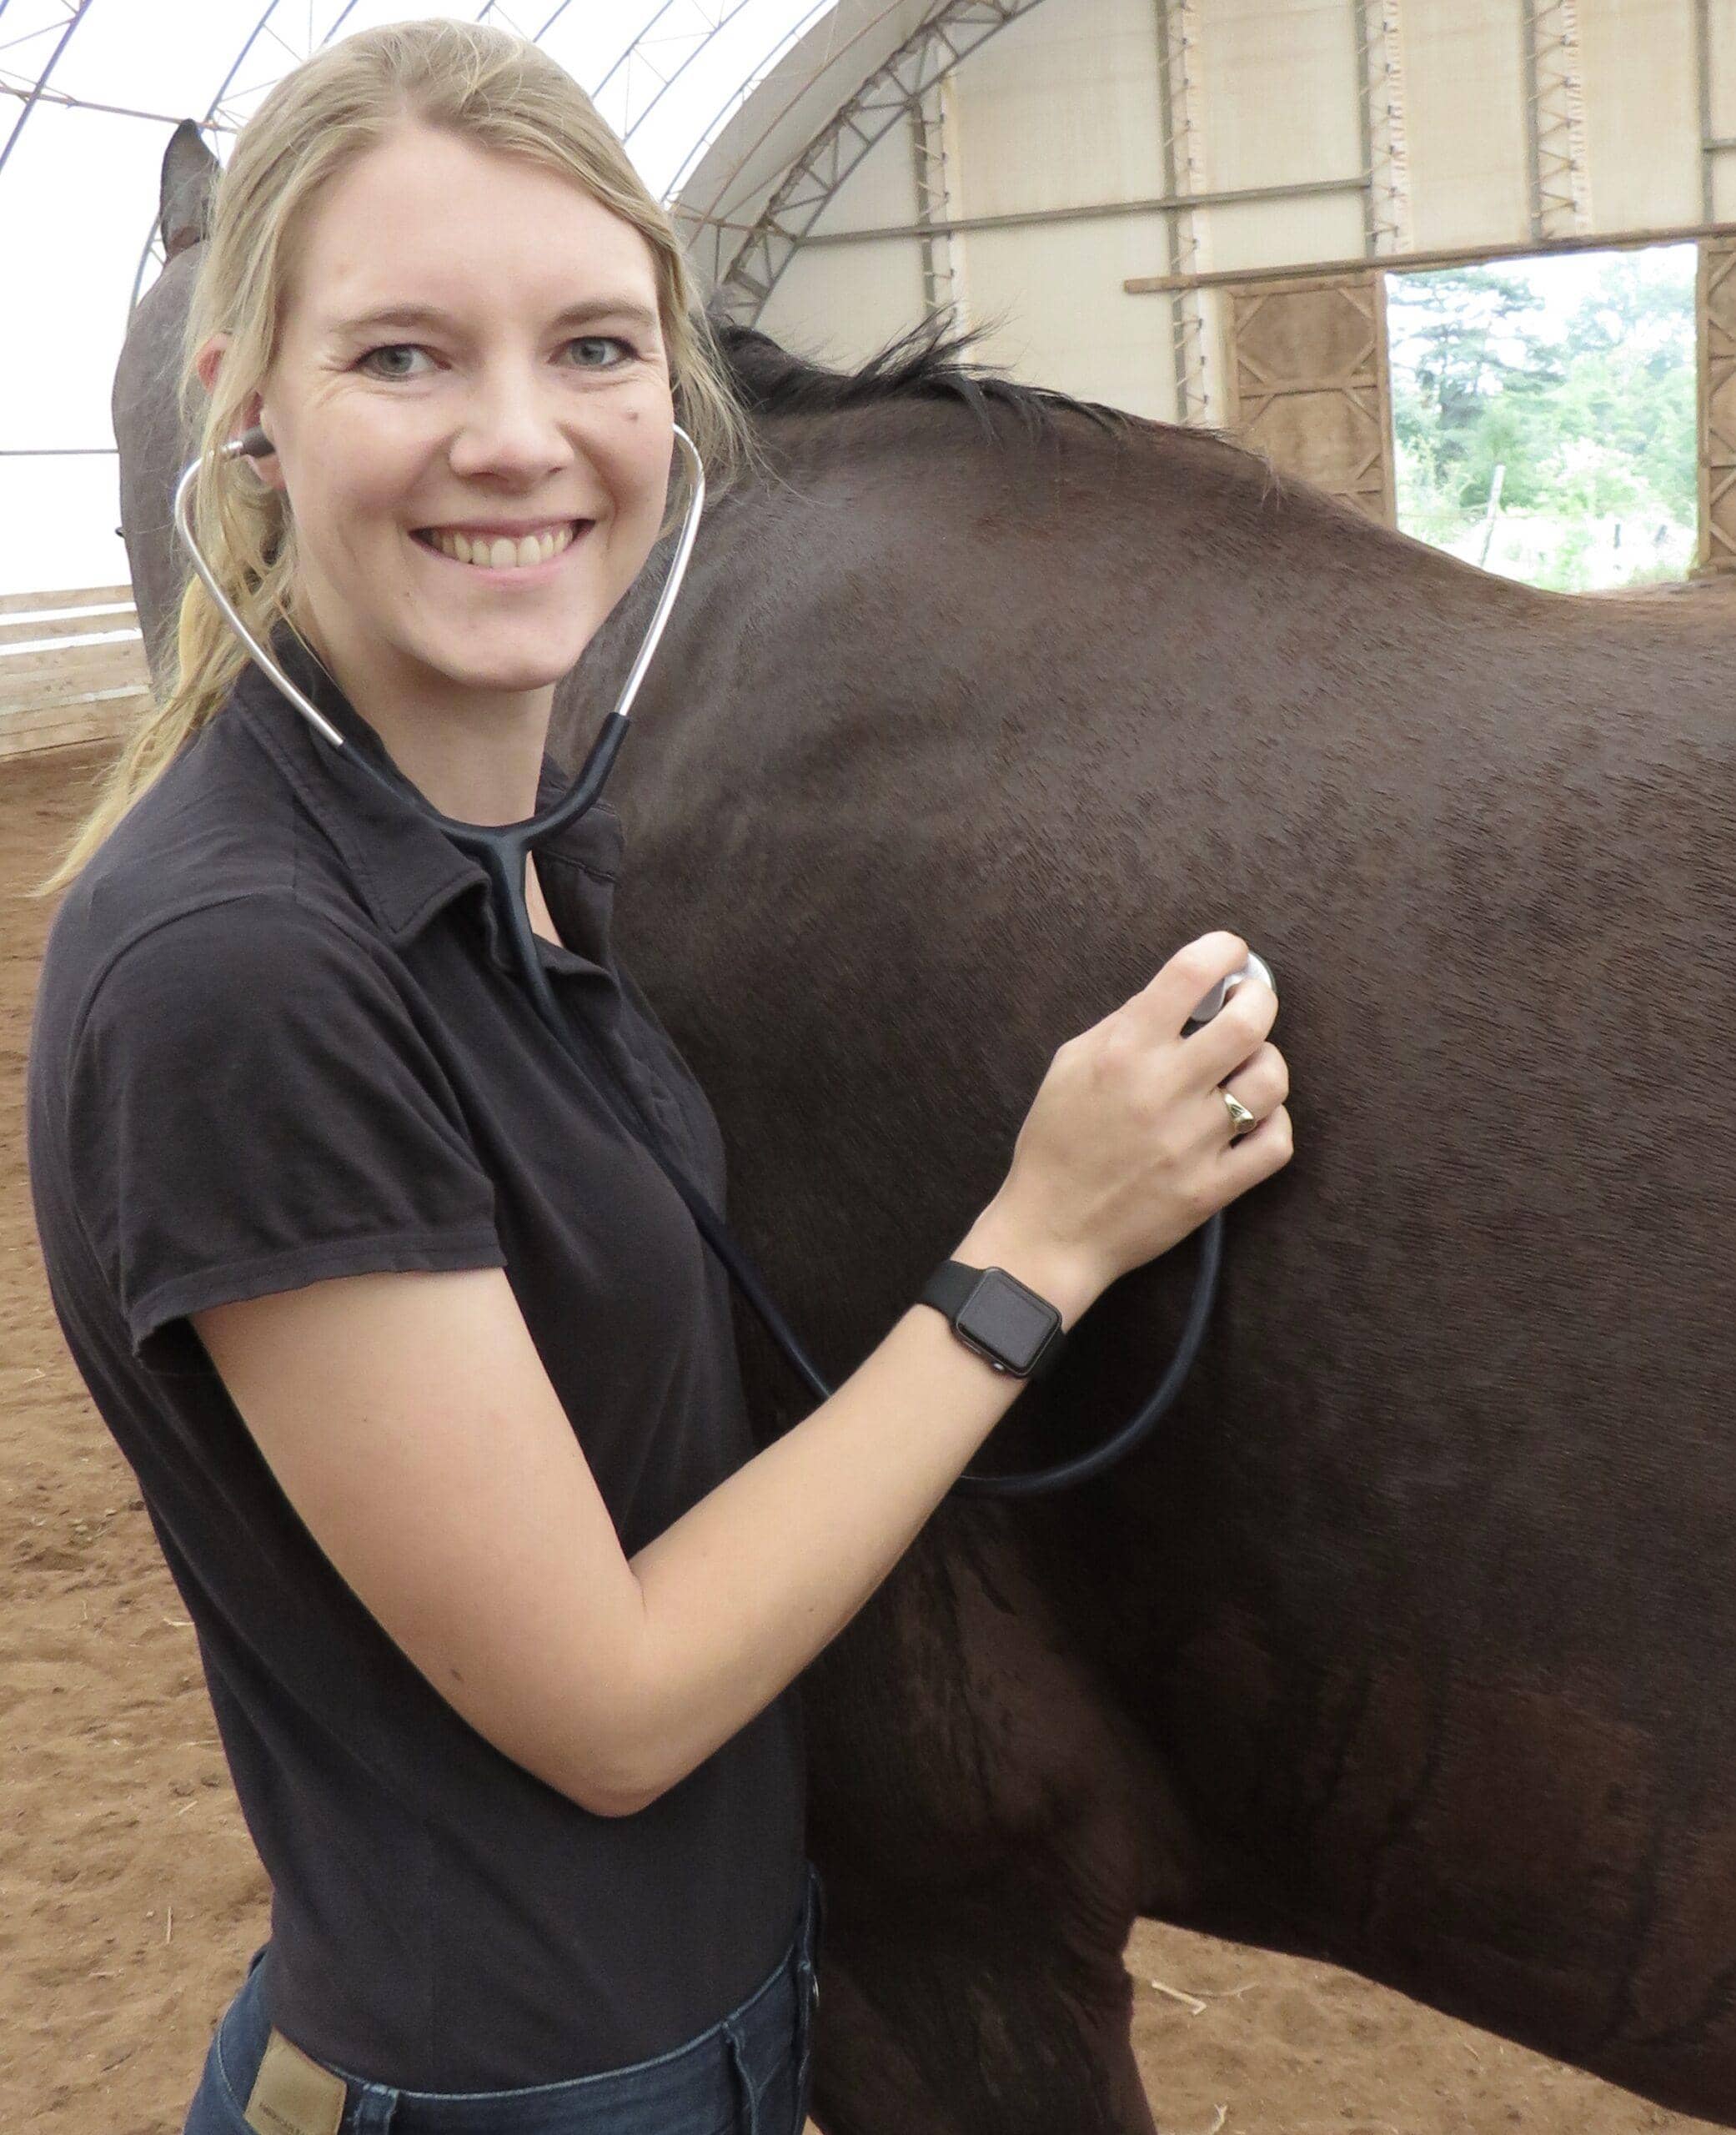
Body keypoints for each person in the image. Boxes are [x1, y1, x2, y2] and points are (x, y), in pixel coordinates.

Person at [23, 19, 1293, 2135]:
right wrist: (1036, 1246)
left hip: (682, 2027)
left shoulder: (507, 861)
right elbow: (608, 1702)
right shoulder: (235, 973)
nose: (519, 439)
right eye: (404, 358)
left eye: (594, 348)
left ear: (672, 398)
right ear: (243, 410)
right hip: (524, 2083)